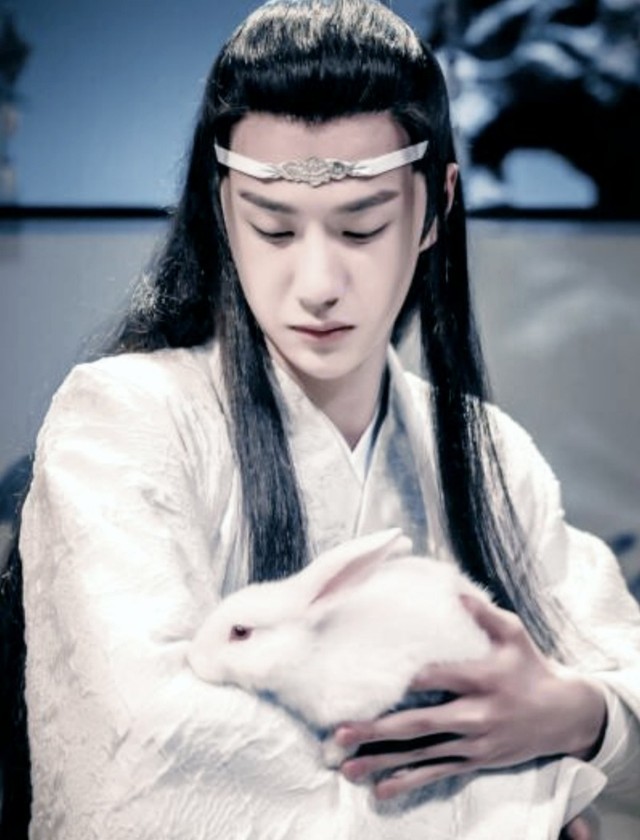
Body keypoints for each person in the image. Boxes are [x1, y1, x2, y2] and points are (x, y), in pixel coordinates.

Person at [13, 0, 640, 838]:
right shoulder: (121, 423)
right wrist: (537, 797)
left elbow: (619, 667)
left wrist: (578, 717)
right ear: (222, 208)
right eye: (273, 228)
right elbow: (146, 756)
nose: (317, 284)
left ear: (435, 206)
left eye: (361, 226)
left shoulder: (490, 451)